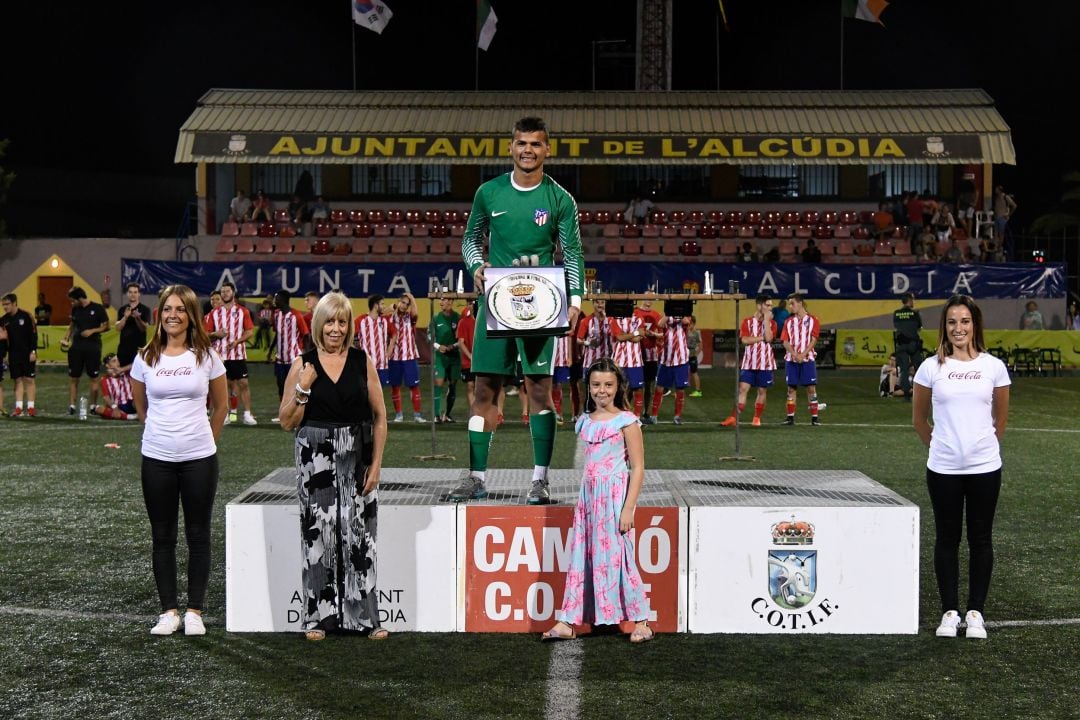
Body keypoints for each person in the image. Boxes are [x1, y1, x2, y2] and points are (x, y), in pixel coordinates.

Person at [449, 116, 585, 505]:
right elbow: (470, 239)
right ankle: (476, 477)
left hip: (541, 307)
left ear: (547, 149)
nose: (528, 150)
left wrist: (574, 301)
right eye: (521, 143)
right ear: (510, 147)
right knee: (484, 391)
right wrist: (476, 267)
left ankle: (539, 480)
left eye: (536, 144)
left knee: (540, 391)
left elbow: (572, 252)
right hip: (494, 302)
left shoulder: (560, 199)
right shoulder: (489, 193)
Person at [278, 291, 389, 641]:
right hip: (316, 459)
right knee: (318, 537)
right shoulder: (303, 364)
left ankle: (365, 618)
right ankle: (317, 619)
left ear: (349, 326)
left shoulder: (362, 360)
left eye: (342, 322)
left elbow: (381, 417)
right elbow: (285, 420)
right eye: (329, 321)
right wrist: (303, 388)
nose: (335, 329)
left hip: (357, 454)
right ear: (318, 324)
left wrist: (377, 464)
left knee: (359, 537)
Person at [130, 284, 228, 636]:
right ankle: (169, 611)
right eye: (167, 308)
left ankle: (195, 612)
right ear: (160, 313)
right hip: (156, 458)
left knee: (199, 534)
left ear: (191, 315)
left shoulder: (207, 356)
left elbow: (222, 407)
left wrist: (203, 442)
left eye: (180, 309)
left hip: (199, 459)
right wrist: (163, 436)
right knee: (162, 535)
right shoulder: (146, 356)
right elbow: (141, 407)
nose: (173, 315)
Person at [913, 294, 1010, 640]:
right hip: (943, 469)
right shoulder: (930, 367)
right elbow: (919, 421)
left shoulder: (993, 367)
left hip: (986, 467)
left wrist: (982, 448)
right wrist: (944, 448)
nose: (959, 328)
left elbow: (1000, 420)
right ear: (945, 327)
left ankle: (976, 613)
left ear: (975, 325)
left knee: (981, 539)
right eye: (952, 322)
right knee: (947, 539)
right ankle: (950, 612)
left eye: (965, 321)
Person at [541, 358, 652, 644]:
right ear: (588, 387)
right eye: (596, 385)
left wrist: (629, 508)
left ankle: (642, 620)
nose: (602, 391)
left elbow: (638, 467)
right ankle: (568, 620)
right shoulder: (584, 422)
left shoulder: (627, 421)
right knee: (581, 558)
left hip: (614, 500)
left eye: (608, 385)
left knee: (621, 559)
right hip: (589, 501)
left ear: (618, 387)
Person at [203, 281, 257, 425]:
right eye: (223, 291)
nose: (224, 293)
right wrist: (217, 333)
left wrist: (237, 341)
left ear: (233, 293)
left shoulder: (243, 311)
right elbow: (206, 335)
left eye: (227, 291)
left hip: (238, 354)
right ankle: (225, 414)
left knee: (244, 383)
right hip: (220, 355)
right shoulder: (214, 313)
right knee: (223, 386)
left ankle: (247, 414)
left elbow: (250, 331)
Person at [721, 294, 776, 428]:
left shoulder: (772, 323)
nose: (770, 308)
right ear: (759, 306)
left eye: (771, 306)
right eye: (768, 305)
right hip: (749, 362)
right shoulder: (747, 322)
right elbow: (745, 340)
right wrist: (760, 338)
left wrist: (766, 322)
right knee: (743, 389)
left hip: (765, 362)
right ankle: (733, 417)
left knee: (762, 391)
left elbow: (769, 338)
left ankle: (756, 418)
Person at [61, 286, 109, 415]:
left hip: (93, 347)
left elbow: (106, 326)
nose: (72, 303)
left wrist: (92, 331)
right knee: (73, 377)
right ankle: (72, 406)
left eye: (73, 300)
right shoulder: (75, 309)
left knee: (94, 377)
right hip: (76, 347)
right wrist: (66, 337)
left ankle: (93, 406)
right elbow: (72, 324)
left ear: (80, 298)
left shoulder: (98, 308)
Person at [780, 293, 821, 426]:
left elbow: (814, 339)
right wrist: (794, 353)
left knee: (811, 388)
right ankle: (790, 417)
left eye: (792, 304)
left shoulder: (813, 320)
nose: (790, 307)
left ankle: (815, 418)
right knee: (791, 389)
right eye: (789, 304)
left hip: (808, 359)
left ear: (800, 303)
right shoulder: (788, 322)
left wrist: (803, 354)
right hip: (791, 360)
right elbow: (785, 341)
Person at [646, 311, 691, 425]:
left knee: (680, 389)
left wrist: (677, 314)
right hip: (666, 359)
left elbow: (686, 321)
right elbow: (660, 324)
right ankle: (654, 416)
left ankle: (677, 416)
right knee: (659, 388)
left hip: (681, 360)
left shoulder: (685, 316)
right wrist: (668, 312)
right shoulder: (665, 318)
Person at [270, 290, 310, 414]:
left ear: (283, 300)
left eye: (276, 298)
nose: (274, 301)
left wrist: (307, 355)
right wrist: (270, 351)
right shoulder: (276, 314)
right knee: (281, 386)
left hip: (293, 359)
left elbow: (306, 335)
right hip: (280, 359)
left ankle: (296, 413)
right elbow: (278, 334)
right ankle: (284, 412)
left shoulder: (296, 315)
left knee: (295, 387)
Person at [387, 292, 425, 423]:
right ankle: (398, 415)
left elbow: (415, 312)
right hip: (394, 357)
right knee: (395, 386)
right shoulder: (390, 317)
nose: (404, 306)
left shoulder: (410, 318)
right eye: (402, 302)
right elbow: (382, 312)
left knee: (414, 386)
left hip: (409, 356)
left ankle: (417, 415)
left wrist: (412, 298)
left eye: (407, 304)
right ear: (398, 302)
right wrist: (392, 306)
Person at [1, 293, 39, 416]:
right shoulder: (3, 320)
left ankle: (31, 408)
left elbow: (34, 335)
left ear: (14, 303)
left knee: (29, 379)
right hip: (13, 354)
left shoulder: (26, 316)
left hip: (27, 353)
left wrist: (33, 351)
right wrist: (4, 355)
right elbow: (3, 340)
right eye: (3, 305)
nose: (5, 307)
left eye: (7, 304)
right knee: (17, 380)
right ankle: (18, 408)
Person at [608, 308, 646, 417]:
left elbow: (637, 339)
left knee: (637, 389)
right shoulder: (614, 318)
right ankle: (616, 415)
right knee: (617, 389)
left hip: (635, 361)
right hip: (619, 361)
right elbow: (619, 337)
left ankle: (637, 417)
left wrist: (626, 335)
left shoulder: (638, 317)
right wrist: (635, 332)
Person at [355, 294, 395, 392]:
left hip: (382, 364)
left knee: (379, 393)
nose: (384, 306)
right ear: (376, 305)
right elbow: (348, 336)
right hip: (367, 365)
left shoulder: (385, 320)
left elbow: (394, 334)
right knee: (367, 393)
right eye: (382, 304)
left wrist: (390, 350)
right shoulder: (361, 320)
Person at [430, 295, 461, 423]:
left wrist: (452, 346)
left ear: (451, 301)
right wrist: (438, 346)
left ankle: (447, 414)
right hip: (440, 356)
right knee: (438, 383)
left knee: (453, 384)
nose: (441, 302)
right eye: (440, 299)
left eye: (444, 299)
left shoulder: (457, 318)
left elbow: (462, 338)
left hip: (454, 356)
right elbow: (430, 336)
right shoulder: (436, 318)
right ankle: (436, 415)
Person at [634, 291, 663, 423]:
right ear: (642, 297)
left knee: (649, 385)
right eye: (647, 297)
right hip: (636, 353)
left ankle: (645, 412)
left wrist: (655, 335)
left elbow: (662, 334)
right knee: (632, 385)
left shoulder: (657, 315)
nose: (649, 300)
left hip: (651, 355)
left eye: (652, 298)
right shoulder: (635, 312)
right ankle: (629, 412)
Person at [893, 292, 924, 399]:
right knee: (919, 368)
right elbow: (919, 327)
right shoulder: (915, 314)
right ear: (910, 300)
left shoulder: (896, 313)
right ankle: (922, 389)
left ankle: (906, 390)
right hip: (913, 344)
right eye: (913, 300)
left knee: (904, 369)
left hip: (902, 344)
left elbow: (897, 327)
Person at [115, 282, 151, 373]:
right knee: (123, 378)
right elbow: (118, 328)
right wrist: (125, 317)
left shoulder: (145, 309)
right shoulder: (122, 310)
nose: (133, 294)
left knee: (139, 377)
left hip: (139, 348)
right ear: (127, 294)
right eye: (130, 292)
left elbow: (144, 328)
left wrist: (137, 318)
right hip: (123, 349)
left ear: (139, 294)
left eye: (135, 292)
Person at [94, 353, 139, 420]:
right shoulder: (105, 379)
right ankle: (130, 417)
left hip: (131, 403)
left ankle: (124, 415)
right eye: (114, 361)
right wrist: (114, 407)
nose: (117, 363)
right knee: (98, 408)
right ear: (107, 365)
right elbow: (106, 397)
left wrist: (122, 369)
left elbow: (136, 365)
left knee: (138, 400)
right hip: (118, 405)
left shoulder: (127, 373)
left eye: (118, 360)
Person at [456, 299, 478, 411]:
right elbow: (461, 342)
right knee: (470, 386)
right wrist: (471, 357)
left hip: (483, 361)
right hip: (468, 361)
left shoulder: (484, 322)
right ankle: (475, 413)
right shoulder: (464, 322)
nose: (472, 306)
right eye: (469, 304)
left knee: (483, 388)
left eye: (473, 303)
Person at [992, 185, 1017, 256]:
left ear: (999, 190)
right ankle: (996, 247)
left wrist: (1008, 214)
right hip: (997, 217)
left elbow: (1014, 206)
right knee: (996, 233)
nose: (995, 191)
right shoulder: (996, 198)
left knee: (1001, 234)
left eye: (996, 189)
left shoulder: (1005, 197)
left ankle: (999, 247)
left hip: (1002, 218)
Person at [686, 315, 703, 397]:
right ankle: (680, 390)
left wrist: (696, 354)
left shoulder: (696, 333)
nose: (689, 325)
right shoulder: (684, 331)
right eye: (688, 324)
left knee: (694, 372)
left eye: (691, 324)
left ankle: (698, 391)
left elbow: (701, 346)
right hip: (684, 355)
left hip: (692, 356)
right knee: (682, 372)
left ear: (694, 324)